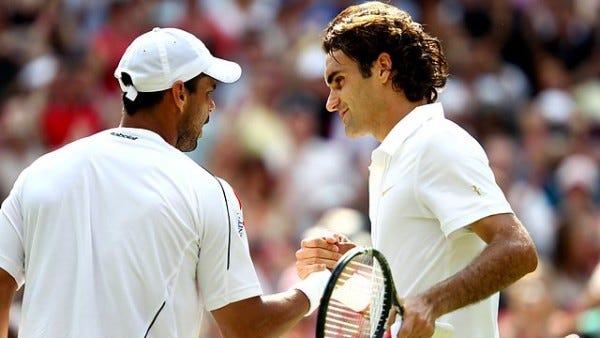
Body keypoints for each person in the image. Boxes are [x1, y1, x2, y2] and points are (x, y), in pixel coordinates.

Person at [0, 27, 332, 338]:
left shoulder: (38, 174)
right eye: (208, 92)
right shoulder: (205, 191)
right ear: (179, 94)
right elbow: (247, 326)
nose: (213, 106)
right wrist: (315, 287)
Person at [295, 2, 539, 338]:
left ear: (382, 67)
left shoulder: (435, 143)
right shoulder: (392, 159)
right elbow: (405, 296)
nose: (330, 101)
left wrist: (431, 302)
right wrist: (354, 264)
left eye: (339, 81)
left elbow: (518, 249)